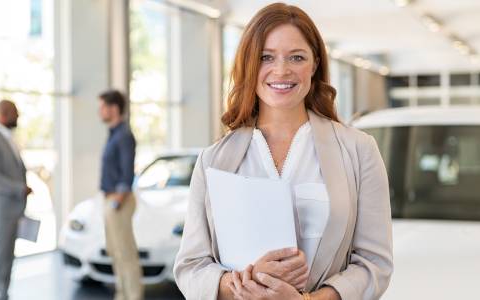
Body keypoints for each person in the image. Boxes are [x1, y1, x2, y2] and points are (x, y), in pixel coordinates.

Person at [174, 3, 393, 300]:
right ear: (250, 63)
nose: (282, 70)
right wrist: (243, 285)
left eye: (297, 57)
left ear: (314, 64)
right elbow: (190, 267)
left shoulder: (359, 150)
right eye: (266, 57)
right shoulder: (213, 160)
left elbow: (374, 265)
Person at [0, 100, 33, 300]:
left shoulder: (8, 138)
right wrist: (20, 189)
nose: (17, 117)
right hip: (1, 210)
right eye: (15, 113)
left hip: (14, 209)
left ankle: (3, 293)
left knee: (9, 256)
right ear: (3, 114)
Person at [98, 90, 143, 300]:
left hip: (119, 201)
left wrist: (117, 201)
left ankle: (133, 296)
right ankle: (122, 295)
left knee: (126, 254)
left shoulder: (124, 135)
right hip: (111, 199)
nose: (100, 111)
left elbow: (127, 173)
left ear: (114, 108)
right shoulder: (114, 133)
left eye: (102, 107)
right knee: (116, 253)